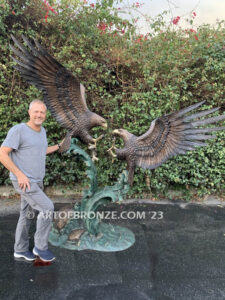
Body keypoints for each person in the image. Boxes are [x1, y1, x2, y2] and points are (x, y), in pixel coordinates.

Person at [0, 99, 64, 262]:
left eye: (42, 112)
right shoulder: (19, 130)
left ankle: (20, 249)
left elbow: (41, 151)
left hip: (37, 182)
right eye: (36, 111)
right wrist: (20, 174)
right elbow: (2, 153)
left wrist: (58, 146)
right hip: (25, 182)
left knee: (26, 215)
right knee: (48, 208)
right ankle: (40, 247)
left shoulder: (42, 131)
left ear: (45, 115)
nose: (39, 115)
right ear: (29, 112)